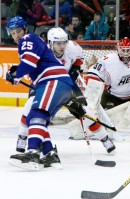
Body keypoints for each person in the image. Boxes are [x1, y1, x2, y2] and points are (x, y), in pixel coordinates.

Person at [15, 27, 116, 155]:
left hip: (66, 82)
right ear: (50, 43)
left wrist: (73, 74)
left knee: (84, 111)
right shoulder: (42, 51)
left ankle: (105, 139)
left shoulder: (73, 49)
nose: (62, 46)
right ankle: (22, 138)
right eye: (58, 43)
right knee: (30, 107)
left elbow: (77, 64)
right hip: (44, 83)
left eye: (64, 42)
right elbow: (31, 68)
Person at [5, 16, 77, 171]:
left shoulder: (27, 39)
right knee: (35, 118)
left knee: (37, 114)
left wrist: (16, 74)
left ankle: (32, 152)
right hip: (59, 84)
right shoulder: (30, 42)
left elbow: (29, 62)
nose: (16, 35)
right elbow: (32, 64)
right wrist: (16, 73)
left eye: (18, 31)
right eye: (13, 32)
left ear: (25, 29)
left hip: (53, 82)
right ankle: (49, 153)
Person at [85, 37, 130, 110]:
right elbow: (92, 74)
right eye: (123, 50)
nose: (125, 52)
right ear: (118, 49)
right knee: (105, 118)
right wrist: (94, 91)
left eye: (128, 49)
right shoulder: (107, 60)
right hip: (112, 97)